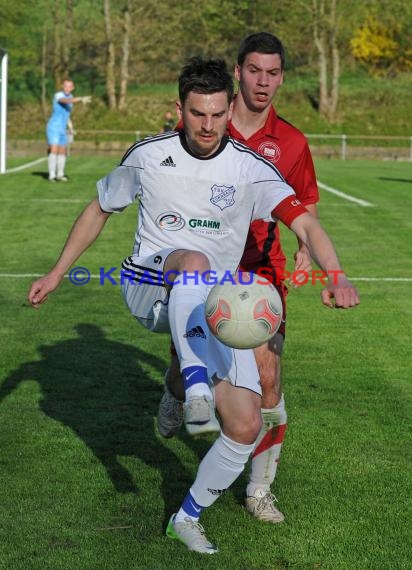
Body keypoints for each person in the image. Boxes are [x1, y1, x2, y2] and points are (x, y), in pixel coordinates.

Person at [28, 57, 359, 555]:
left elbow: (305, 223)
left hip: (213, 304)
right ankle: (195, 388)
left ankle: (186, 515)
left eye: (218, 114)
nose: (208, 126)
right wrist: (56, 272)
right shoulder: (148, 155)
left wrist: (336, 275)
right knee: (195, 258)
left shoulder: (250, 168)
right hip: (149, 286)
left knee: (246, 424)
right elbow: (99, 208)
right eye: (197, 114)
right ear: (178, 108)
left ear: (230, 110)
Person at [157, 32, 320, 524]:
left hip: (262, 272)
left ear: (282, 78)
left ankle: (259, 489)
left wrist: (306, 247)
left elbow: (304, 202)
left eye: (273, 73)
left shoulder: (291, 141)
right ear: (238, 72)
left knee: (268, 379)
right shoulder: (209, 124)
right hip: (205, 264)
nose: (263, 82)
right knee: (191, 368)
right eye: (254, 71)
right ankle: (174, 390)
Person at [46, 79, 91, 182]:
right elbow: (64, 101)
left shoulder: (71, 97)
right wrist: (80, 99)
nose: (67, 88)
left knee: (63, 151)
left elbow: (67, 115)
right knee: (54, 149)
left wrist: (71, 127)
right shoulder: (58, 95)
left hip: (62, 128)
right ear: (63, 86)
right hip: (54, 127)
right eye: (66, 86)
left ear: (72, 88)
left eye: (69, 86)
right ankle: (52, 175)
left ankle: (60, 174)